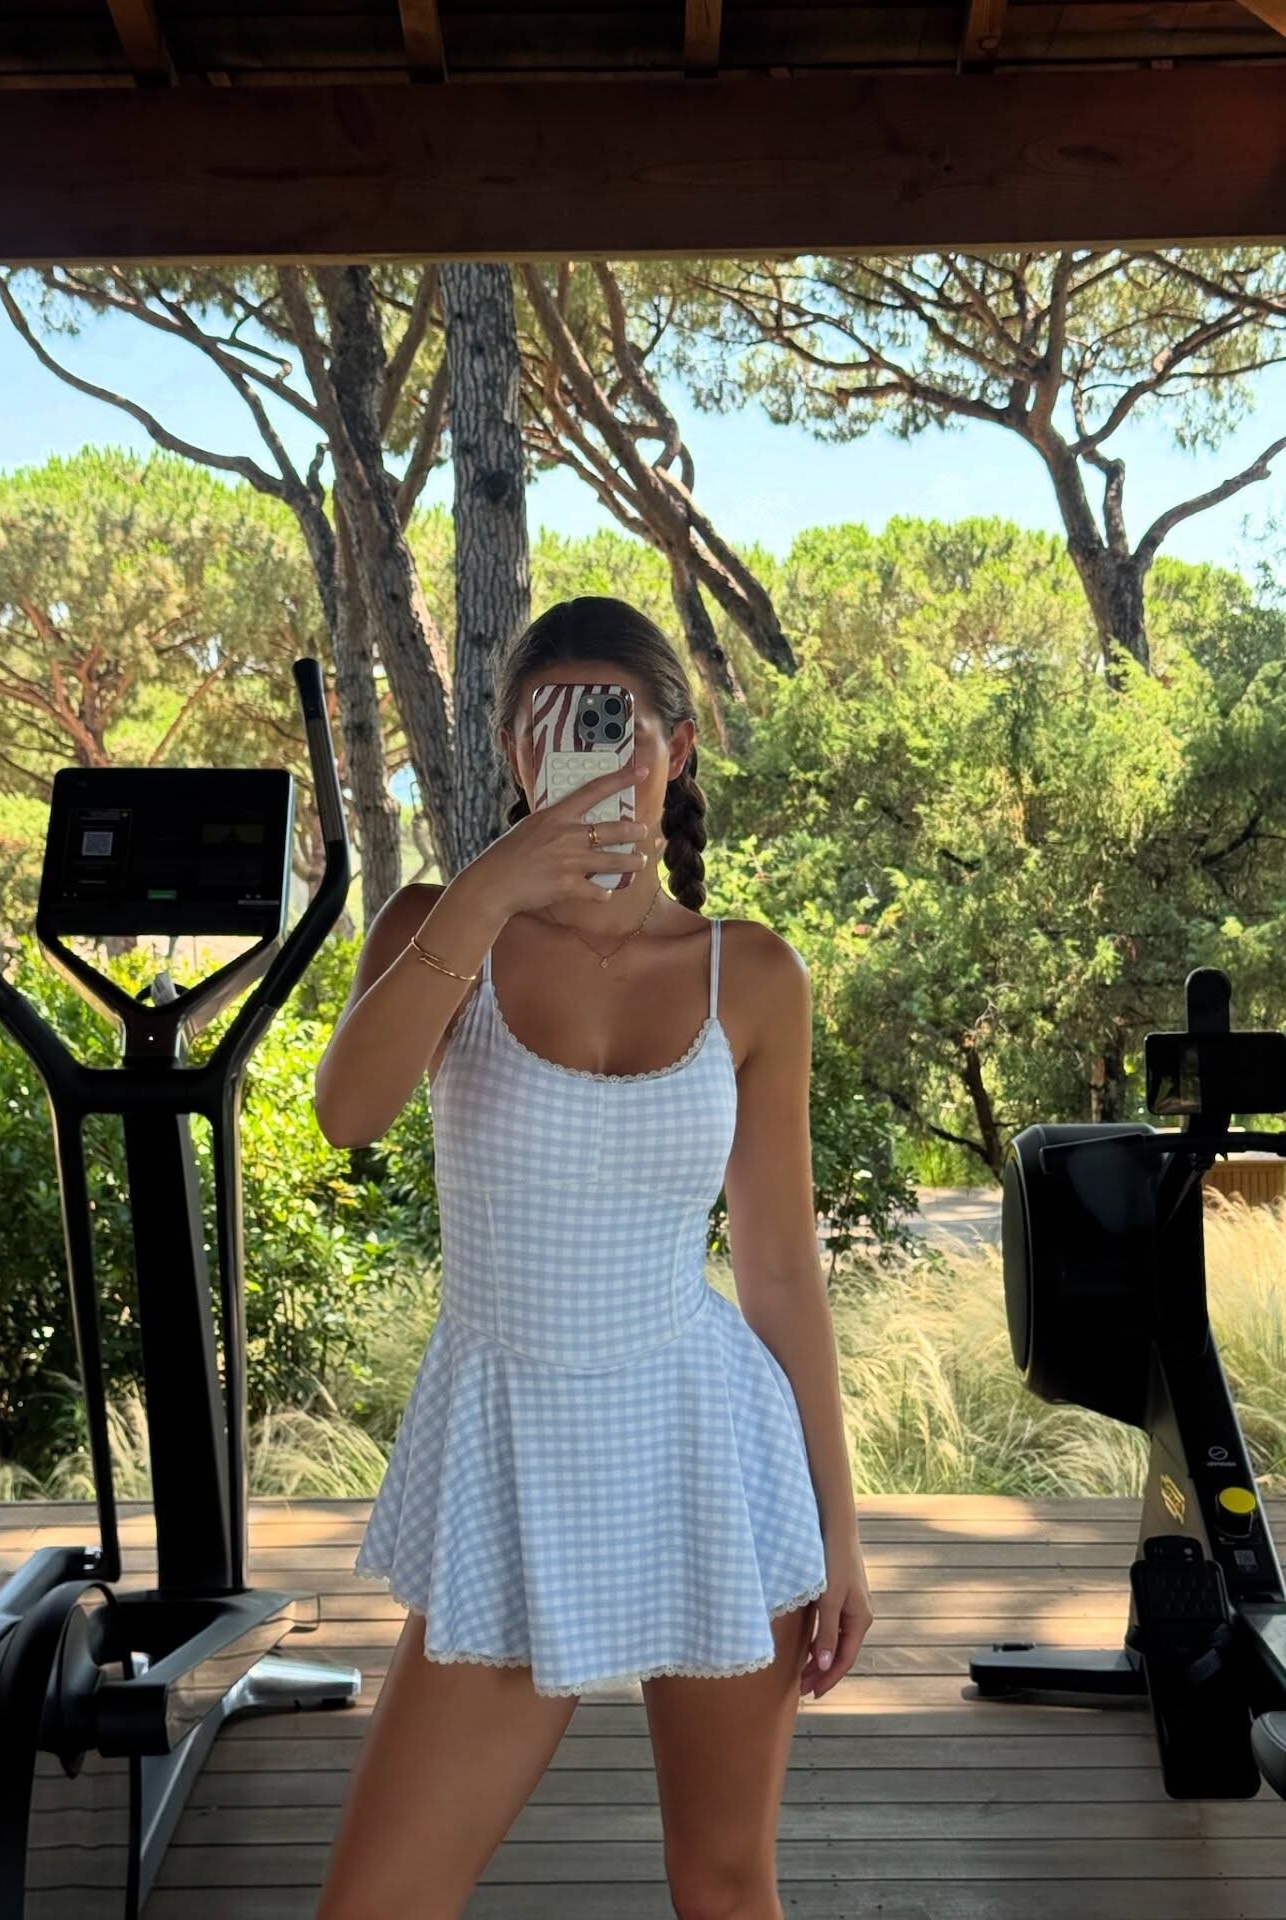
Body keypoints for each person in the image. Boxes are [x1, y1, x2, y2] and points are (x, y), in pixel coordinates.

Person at [311, 596, 873, 1920]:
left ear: (677, 745)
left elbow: (779, 1271)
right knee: (377, 1905)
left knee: (723, 1885)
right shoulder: (438, 929)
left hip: (707, 1453)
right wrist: (494, 888)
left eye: (612, 726)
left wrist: (841, 1529)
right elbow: (347, 1113)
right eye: (543, 724)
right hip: (514, 1464)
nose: (579, 754)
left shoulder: (751, 974)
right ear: (511, 748)